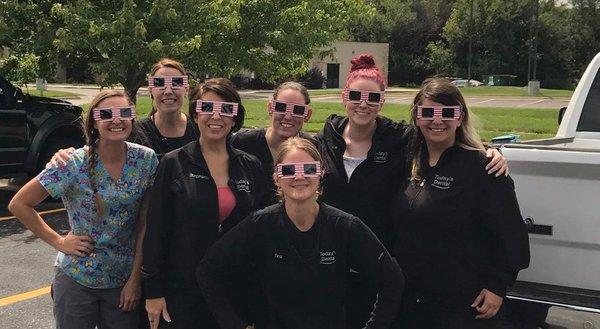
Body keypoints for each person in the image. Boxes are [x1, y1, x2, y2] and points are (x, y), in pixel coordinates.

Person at [315, 53, 509, 328]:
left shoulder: (399, 140)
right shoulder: (323, 140)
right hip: (331, 265)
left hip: (381, 269)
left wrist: (490, 152)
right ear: (344, 96)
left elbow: (444, 135)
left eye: (373, 98)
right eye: (356, 95)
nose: (363, 103)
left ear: (382, 101)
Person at [197, 137, 404, 329]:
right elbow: (208, 269)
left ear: (321, 173)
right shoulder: (259, 225)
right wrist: (234, 324)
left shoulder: (345, 226)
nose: (299, 176)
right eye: (288, 170)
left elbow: (392, 278)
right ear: (276, 178)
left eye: (308, 169)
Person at [8, 90, 158, 328]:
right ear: (94, 121)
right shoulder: (71, 162)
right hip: (77, 278)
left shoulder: (146, 161)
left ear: (132, 118)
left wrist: (135, 280)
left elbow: (145, 224)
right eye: (106, 114)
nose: (116, 120)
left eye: (125, 113)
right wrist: (59, 242)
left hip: (122, 282)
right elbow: (19, 204)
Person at [391, 77, 530, 328]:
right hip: (413, 303)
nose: (437, 120)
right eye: (428, 112)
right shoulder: (408, 160)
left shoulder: (482, 167)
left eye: (447, 112)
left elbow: (513, 235)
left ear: (460, 117)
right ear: (416, 116)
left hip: (464, 306)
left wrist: (497, 285)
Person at [142, 78, 268, 329]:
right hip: (182, 290)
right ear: (195, 113)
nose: (216, 117)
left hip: (233, 290)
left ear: (235, 117)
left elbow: (261, 234)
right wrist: (153, 291)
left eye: (226, 109)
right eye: (207, 108)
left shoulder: (250, 165)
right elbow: (156, 229)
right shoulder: (173, 162)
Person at [48, 58, 198, 166]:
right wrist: (67, 156)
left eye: (177, 83)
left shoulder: (199, 130)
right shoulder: (134, 132)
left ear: (186, 88)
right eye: (160, 84)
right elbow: (100, 153)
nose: (168, 90)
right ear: (151, 89)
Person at [231, 81, 314, 203]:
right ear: (270, 108)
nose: (288, 116)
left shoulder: (312, 149)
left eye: (298, 110)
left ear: (307, 114)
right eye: (281, 107)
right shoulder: (242, 144)